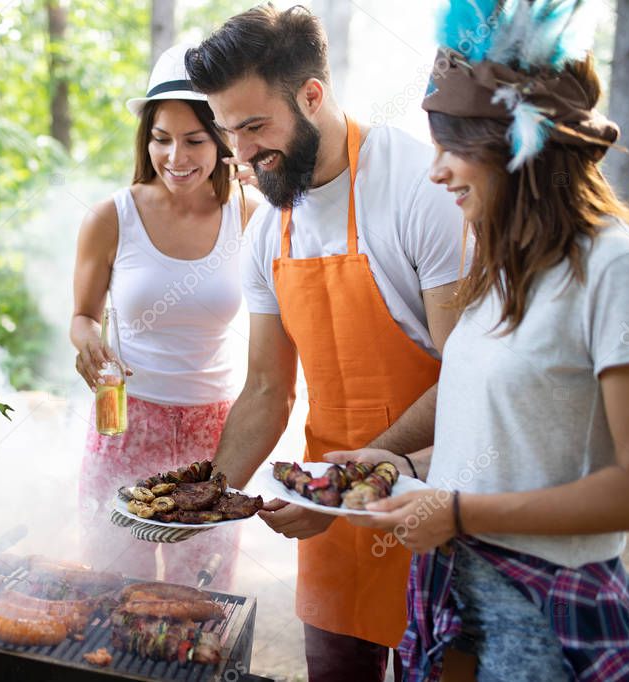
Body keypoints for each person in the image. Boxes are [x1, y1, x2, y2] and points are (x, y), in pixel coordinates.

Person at [343, 2, 629, 680]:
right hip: (455, 593)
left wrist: (456, 510)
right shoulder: (500, 271)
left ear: (519, 148)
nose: (435, 171)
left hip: (545, 613)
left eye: (453, 148)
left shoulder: (614, 268)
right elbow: (503, 440)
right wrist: (397, 470)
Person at [184, 5, 467, 680]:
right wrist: (204, 499)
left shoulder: (420, 189)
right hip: (332, 517)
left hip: (438, 495)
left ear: (312, 95)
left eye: (255, 127)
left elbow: (467, 377)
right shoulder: (265, 231)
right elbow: (264, 388)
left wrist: (347, 481)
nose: (242, 155)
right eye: (228, 134)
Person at [71, 43, 258, 588]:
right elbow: (82, 316)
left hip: (215, 428)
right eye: (161, 138)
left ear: (222, 137)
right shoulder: (111, 216)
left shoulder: (249, 213)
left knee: (200, 593)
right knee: (114, 588)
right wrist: (89, 346)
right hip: (124, 422)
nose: (176, 157)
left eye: (195, 139)